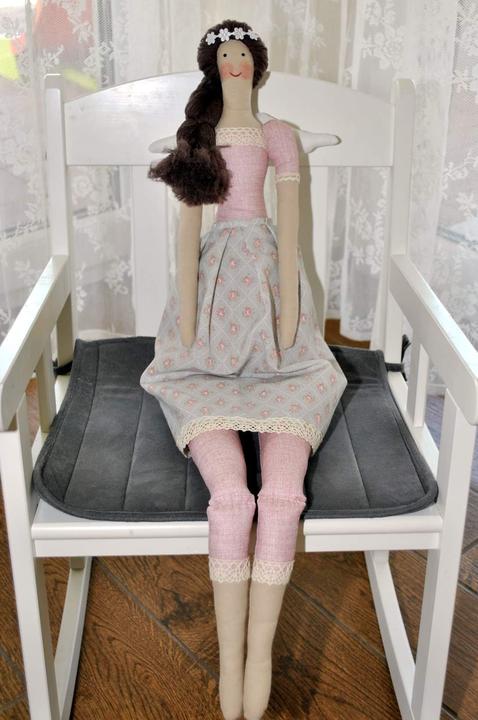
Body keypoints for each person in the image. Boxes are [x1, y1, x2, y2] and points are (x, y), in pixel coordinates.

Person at [140, 19, 348, 720]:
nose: (233, 62)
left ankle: (261, 653)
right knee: (231, 499)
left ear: (256, 66)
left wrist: (290, 314)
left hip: (273, 314)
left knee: (282, 498)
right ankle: (230, 658)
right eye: (224, 54)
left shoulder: (278, 134)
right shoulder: (197, 139)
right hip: (209, 324)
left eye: (242, 54)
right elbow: (187, 235)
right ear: (214, 66)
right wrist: (187, 322)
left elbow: (290, 232)